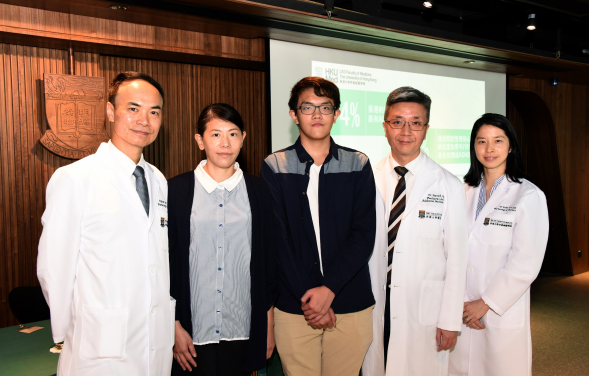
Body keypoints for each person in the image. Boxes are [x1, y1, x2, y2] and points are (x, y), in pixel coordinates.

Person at [37, 71, 174, 376]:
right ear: (111, 111)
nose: (145, 120)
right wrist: (68, 332)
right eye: (133, 109)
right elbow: (53, 268)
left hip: (154, 342)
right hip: (98, 347)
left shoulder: (158, 181)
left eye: (154, 112)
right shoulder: (74, 179)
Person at [260, 77, 376, 376]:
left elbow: (363, 235)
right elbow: (278, 241)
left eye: (325, 107)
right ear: (293, 114)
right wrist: (311, 298)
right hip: (295, 305)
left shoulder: (358, 163)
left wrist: (329, 290)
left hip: (350, 302)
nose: (316, 115)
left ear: (337, 114)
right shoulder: (275, 165)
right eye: (307, 107)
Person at [363, 86, 469, 376]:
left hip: (424, 308)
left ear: (426, 129)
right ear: (385, 127)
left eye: (416, 122)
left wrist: (450, 319)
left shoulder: (448, 185)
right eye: (397, 121)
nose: (406, 130)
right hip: (373, 302)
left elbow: (458, 259)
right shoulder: (366, 179)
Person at [168, 103, 277, 376]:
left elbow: (267, 264)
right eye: (215, 134)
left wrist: (268, 326)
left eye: (233, 134)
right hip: (192, 331)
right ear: (200, 140)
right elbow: (165, 264)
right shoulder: (176, 191)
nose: (225, 143)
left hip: (242, 327)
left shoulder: (259, 190)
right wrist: (173, 325)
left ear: (243, 138)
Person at [448, 113, 549, 376]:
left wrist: (485, 303)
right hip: (460, 308)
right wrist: (459, 302)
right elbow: (451, 249)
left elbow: (526, 263)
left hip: (499, 309)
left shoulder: (528, 195)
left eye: (498, 141)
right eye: (482, 141)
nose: (489, 149)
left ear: (511, 145)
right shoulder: (463, 190)